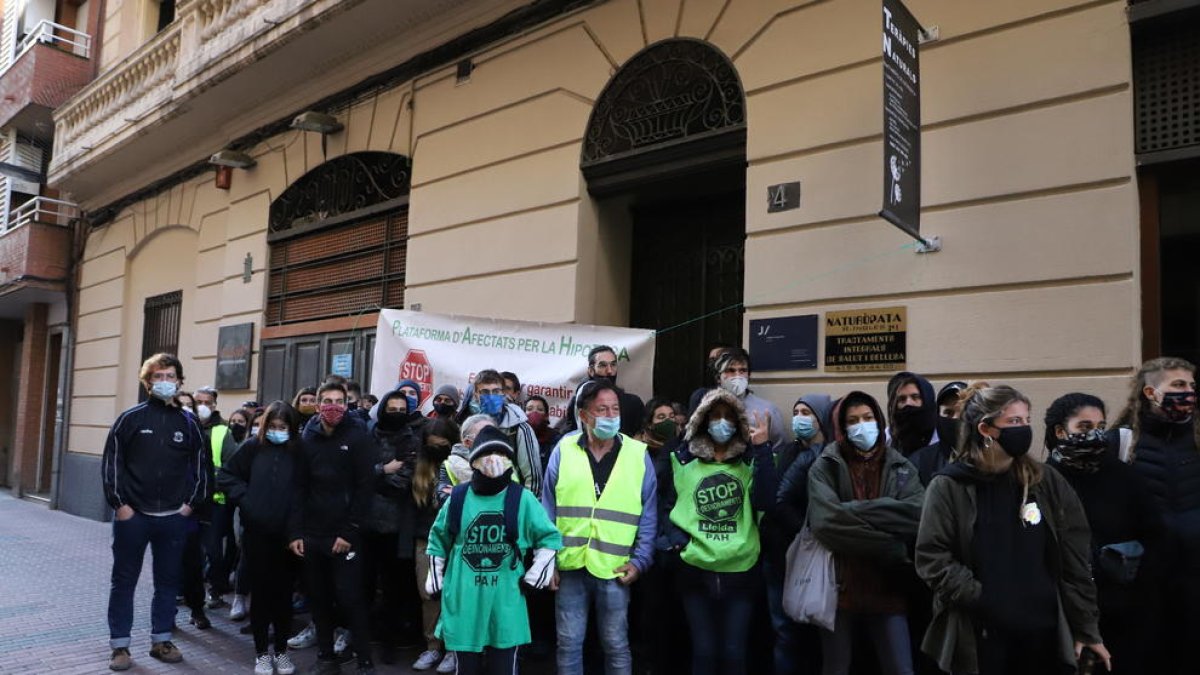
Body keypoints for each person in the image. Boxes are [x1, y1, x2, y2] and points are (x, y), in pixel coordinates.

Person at [916, 383, 1108, 675]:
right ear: (986, 429)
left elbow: (1075, 558)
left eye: (1026, 420)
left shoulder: (1044, 480)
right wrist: (981, 596)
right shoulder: (949, 486)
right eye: (1014, 421)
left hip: (1043, 630)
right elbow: (932, 558)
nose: (1024, 429)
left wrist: (1086, 627)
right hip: (982, 632)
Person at [541, 379, 658, 675]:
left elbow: (649, 514)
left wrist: (640, 561)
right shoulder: (564, 449)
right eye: (602, 409)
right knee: (568, 644)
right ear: (584, 415)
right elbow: (547, 509)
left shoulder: (637, 454)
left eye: (614, 409)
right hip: (569, 565)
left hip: (615, 567)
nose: (610, 415)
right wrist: (547, 560)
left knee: (616, 645)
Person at [657, 389, 777, 675]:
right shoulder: (682, 460)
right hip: (695, 569)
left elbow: (767, 501)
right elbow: (666, 505)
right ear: (702, 420)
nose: (722, 422)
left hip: (741, 569)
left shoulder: (751, 461)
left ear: (738, 423)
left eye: (728, 417)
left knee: (734, 653)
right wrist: (678, 542)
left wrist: (762, 449)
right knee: (704, 652)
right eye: (715, 416)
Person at [425, 426, 562, 675]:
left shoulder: (522, 498)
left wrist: (536, 576)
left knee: (504, 668)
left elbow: (549, 538)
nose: (493, 460)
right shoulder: (458, 498)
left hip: (506, 601)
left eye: (501, 454)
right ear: (474, 460)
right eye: (487, 454)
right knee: (466, 669)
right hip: (463, 601)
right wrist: (435, 579)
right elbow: (438, 540)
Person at [102, 353, 208, 671]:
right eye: (158, 376)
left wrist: (189, 505)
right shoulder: (129, 419)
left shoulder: (189, 424)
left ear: (179, 381)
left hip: (174, 518)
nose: (164, 381)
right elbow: (112, 465)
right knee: (124, 581)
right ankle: (119, 646)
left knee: (168, 582)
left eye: (170, 376)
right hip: (133, 517)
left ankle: (161, 640)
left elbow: (203, 468)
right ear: (147, 382)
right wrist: (120, 505)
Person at [1045, 393, 1165, 675]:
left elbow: (1156, 535)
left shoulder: (1123, 476)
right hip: (1068, 610)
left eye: (1100, 427)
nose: (1095, 435)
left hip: (1125, 608)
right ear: (1060, 431)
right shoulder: (1045, 481)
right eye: (1084, 427)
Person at [807, 390, 924, 675]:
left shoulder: (901, 466)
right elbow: (825, 523)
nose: (862, 425)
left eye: (868, 417)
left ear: (879, 420)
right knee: (836, 667)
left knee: (900, 668)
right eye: (853, 420)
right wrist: (889, 544)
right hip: (839, 588)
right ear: (842, 427)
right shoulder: (826, 465)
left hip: (887, 587)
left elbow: (917, 513)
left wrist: (851, 510)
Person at [1111, 357, 1200, 674]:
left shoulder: (1196, 437)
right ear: (1150, 392)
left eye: (1191, 385)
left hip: (1193, 576)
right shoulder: (1123, 442)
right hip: (1143, 579)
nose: (1188, 392)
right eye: (1178, 385)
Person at [287, 382, 377, 675]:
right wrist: (296, 532)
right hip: (312, 535)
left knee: (351, 599)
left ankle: (364, 661)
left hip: (345, 536)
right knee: (319, 598)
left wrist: (348, 532)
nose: (334, 406)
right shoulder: (307, 438)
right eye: (328, 400)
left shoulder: (358, 437)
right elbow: (299, 488)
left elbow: (365, 488)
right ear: (317, 405)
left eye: (340, 401)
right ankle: (326, 658)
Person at [218, 401, 302, 675]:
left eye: (283, 426)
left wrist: (297, 529)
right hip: (257, 534)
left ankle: (282, 651)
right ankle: (261, 654)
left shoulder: (299, 451)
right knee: (262, 596)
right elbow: (227, 475)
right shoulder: (252, 447)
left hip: (289, 537)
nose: (278, 431)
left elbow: (305, 492)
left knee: (283, 597)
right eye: (273, 426)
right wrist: (247, 500)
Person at [769, 394, 834, 675]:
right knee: (786, 632)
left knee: (819, 633)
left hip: (819, 555)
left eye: (806, 413)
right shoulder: (788, 453)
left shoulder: (830, 454)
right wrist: (801, 533)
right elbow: (778, 500)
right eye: (795, 412)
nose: (798, 418)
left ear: (821, 418)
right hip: (783, 553)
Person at [364, 384, 424, 660]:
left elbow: (401, 482)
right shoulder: (368, 435)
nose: (398, 413)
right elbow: (355, 473)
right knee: (363, 584)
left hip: (395, 526)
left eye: (402, 409)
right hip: (364, 524)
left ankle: (388, 641)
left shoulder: (411, 440)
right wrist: (382, 470)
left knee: (392, 587)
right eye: (392, 409)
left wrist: (372, 477)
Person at [411, 418, 460, 673]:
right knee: (428, 594)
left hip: (456, 540)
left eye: (443, 446)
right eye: (432, 446)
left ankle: (454, 649)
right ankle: (432, 646)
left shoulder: (460, 467)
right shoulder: (419, 468)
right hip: (426, 539)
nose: (437, 450)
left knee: (455, 595)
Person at [457, 370, 541, 495]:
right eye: (485, 392)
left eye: (496, 391)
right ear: (476, 395)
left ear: (503, 393)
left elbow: (533, 478)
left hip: (512, 501)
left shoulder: (519, 428)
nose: (491, 396)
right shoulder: (471, 427)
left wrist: (525, 504)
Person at [194, 385, 238, 611]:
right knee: (188, 549)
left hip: (215, 501)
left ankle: (215, 589)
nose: (202, 406)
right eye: (198, 402)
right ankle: (187, 591)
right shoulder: (183, 425)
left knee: (213, 551)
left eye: (207, 403)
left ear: (214, 406)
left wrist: (212, 482)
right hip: (187, 501)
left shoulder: (223, 431)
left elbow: (232, 467)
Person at [710, 348, 789, 455]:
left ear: (748, 375)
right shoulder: (707, 408)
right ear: (718, 377)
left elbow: (779, 450)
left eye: (742, 370)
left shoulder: (767, 410)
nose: (737, 376)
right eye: (731, 370)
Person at [560, 346, 647, 437]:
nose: (609, 371)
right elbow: (570, 431)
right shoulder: (579, 401)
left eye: (613, 365)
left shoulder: (633, 403)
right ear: (591, 371)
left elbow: (641, 434)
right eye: (603, 365)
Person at [909, 382, 967, 487]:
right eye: (948, 413)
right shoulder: (921, 461)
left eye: (963, 413)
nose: (955, 418)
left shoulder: (989, 461)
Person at [887, 372, 938, 456]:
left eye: (915, 397)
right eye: (902, 399)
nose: (908, 403)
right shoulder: (888, 439)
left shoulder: (940, 435)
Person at [525, 395, 560, 467]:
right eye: (529, 409)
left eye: (540, 409)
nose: (534, 412)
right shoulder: (517, 438)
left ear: (546, 416)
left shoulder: (556, 439)